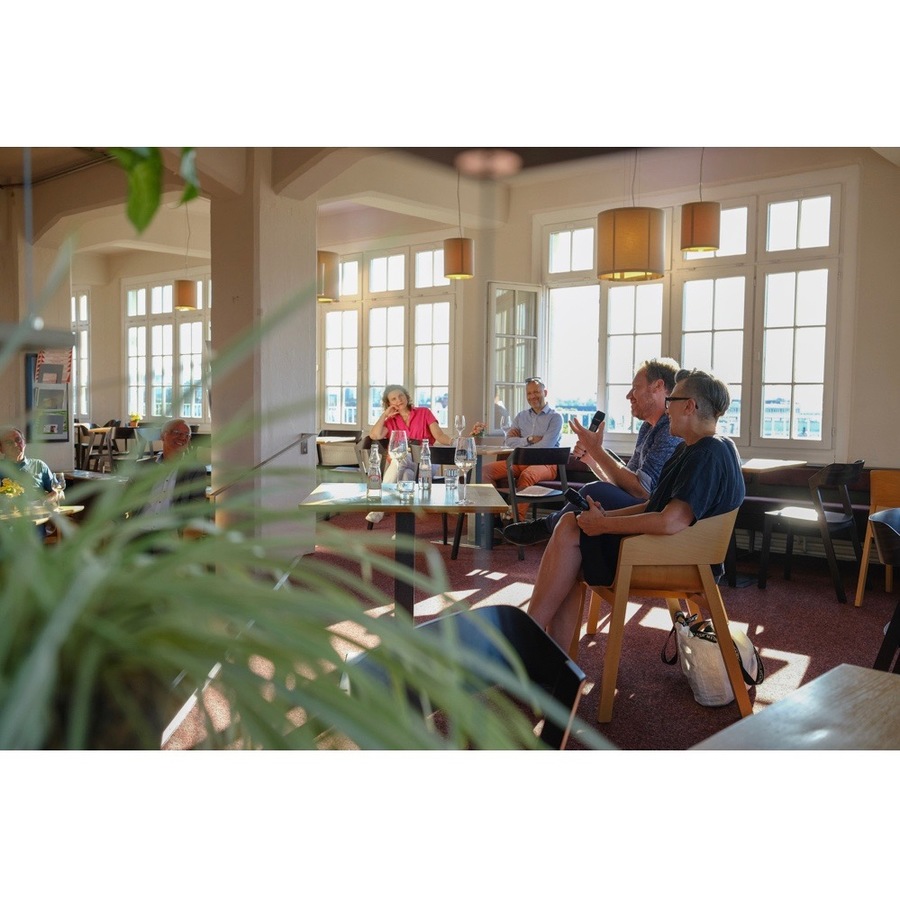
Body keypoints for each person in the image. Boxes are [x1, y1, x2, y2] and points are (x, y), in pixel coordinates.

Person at [525, 368, 745, 651]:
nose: (667, 410)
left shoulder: (707, 454)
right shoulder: (698, 448)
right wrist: (602, 519)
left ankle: (529, 642)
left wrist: (604, 525)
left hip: (677, 559)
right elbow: (651, 505)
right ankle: (545, 655)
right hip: (673, 550)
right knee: (572, 525)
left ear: (689, 406)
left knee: (569, 531)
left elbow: (669, 521)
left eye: (672, 402)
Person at [503, 358, 683, 546]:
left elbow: (641, 491)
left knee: (592, 491)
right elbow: (624, 484)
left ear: (658, 386)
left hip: (650, 509)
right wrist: (591, 459)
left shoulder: (669, 430)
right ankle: (549, 529)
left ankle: (546, 526)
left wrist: (597, 450)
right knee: (586, 501)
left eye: (635, 387)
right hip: (638, 503)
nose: (629, 395)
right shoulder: (648, 428)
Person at [473, 377, 563, 522]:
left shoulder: (555, 418)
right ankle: (494, 519)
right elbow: (508, 441)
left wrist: (519, 442)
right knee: (484, 472)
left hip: (545, 464)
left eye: (536, 392)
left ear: (545, 392)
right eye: (529, 393)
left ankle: (516, 522)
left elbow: (545, 447)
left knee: (527, 475)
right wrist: (529, 439)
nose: (532, 396)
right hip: (518, 462)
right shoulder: (521, 416)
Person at [365, 384, 453, 525]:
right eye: (393, 399)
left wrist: (455, 441)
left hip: (425, 462)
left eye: (401, 396)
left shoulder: (424, 412)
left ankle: (378, 507)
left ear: (407, 396)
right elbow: (375, 435)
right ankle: (404, 531)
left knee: (399, 459)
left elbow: (439, 435)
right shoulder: (390, 421)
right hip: (403, 466)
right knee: (405, 478)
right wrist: (385, 415)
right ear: (388, 404)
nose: (398, 400)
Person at [134, 418, 208, 517]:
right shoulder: (142, 467)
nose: (182, 438)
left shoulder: (195, 470)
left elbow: (196, 504)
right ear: (162, 436)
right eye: (176, 432)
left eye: (187, 435)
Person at [0, 426, 61, 504]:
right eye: (8, 442)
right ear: (1, 449)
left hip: (38, 512)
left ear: (24, 443)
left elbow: (59, 493)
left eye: (18, 440)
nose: (15, 444)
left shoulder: (39, 465)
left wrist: (41, 502)